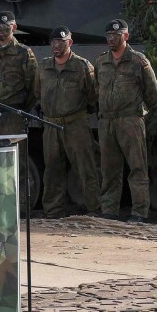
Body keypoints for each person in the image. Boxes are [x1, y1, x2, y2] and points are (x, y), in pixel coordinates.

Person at [95, 19, 157, 223]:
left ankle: (139, 211)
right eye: (109, 36)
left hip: (130, 120)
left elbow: (152, 93)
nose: (111, 39)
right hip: (107, 122)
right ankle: (109, 210)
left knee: (137, 167)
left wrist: (140, 111)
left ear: (126, 36)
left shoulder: (138, 61)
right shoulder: (101, 62)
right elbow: (97, 89)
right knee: (109, 169)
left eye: (116, 35)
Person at [35, 26, 99, 218]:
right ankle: (53, 210)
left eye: (60, 42)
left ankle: (94, 208)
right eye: (53, 42)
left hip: (76, 124)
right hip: (51, 124)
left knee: (85, 168)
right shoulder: (43, 67)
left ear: (69, 43)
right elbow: (38, 93)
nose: (56, 46)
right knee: (52, 169)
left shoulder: (82, 66)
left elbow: (92, 95)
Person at [0, 11, 37, 135]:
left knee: (14, 150)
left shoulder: (24, 53)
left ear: (14, 28)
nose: (1, 30)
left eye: (6, 27)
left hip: (12, 113)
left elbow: (33, 86)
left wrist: (22, 108)